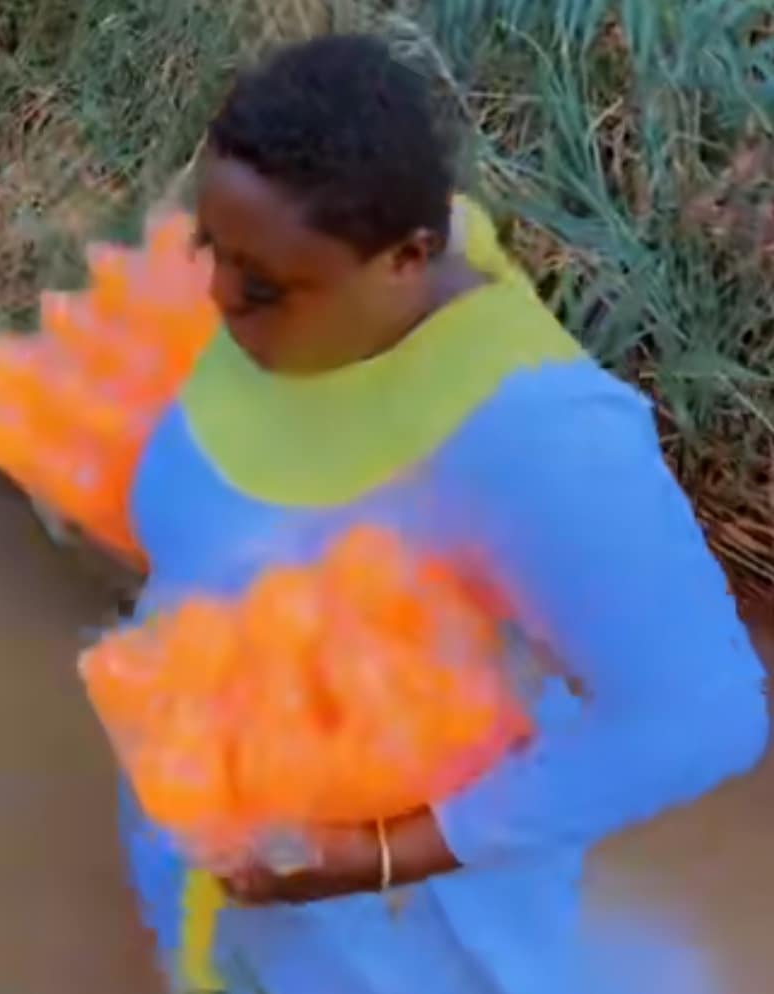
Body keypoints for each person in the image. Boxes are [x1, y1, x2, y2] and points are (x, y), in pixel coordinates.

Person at [117, 34, 768, 994]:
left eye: (260, 286)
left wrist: (383, 854)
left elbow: (701, 715)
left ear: (406, 260)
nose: (218, 301)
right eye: (215, 252)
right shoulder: (344, 275)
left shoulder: (545, 439)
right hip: (245, 899)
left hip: (399, 945)